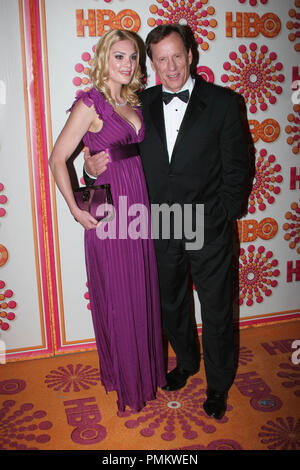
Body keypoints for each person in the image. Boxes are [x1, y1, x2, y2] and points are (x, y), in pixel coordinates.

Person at [83, 24, 249, 420]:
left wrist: (223, 212)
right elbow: (116, 151)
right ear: (151, 63)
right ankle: (187, 364)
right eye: (161, 59)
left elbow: (239, 166)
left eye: (177, 56)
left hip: (207, 224)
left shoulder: (225, 102)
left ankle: (219, 384)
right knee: (171, 304)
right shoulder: (141, 102)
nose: (171, 66)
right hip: (158, 223)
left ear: (190, 55)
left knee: (216, 309)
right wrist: (89, 170)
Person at [49, 29, 167, 413]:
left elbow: (124, 153)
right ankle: (127, 382)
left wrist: (90, 161)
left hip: (138, 206)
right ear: (103, 59)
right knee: (119, 296)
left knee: (139, 290)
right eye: (119, 56)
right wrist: (74, 207)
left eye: (132, 57)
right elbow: (56, 159)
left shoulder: (132, 100)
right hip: (110, 209)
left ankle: (144, 374)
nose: (127, 64)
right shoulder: (91, 102)